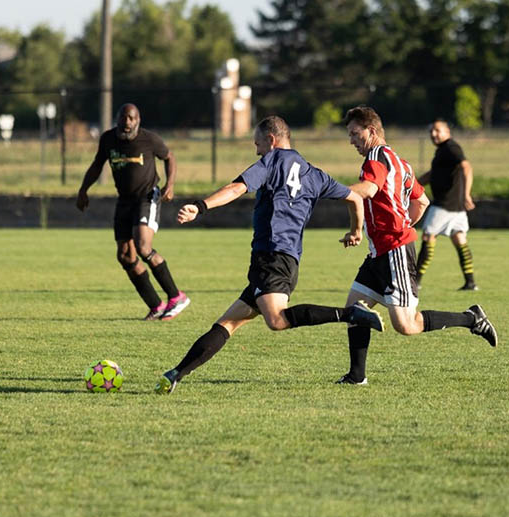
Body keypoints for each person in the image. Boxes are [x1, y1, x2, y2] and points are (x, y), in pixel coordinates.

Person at [155, 115, 383, 395]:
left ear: (271, 140)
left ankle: (351, 314)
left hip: (271, 257)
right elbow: (355, 197)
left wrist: (200, 207)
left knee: (276, 320)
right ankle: (176, 373)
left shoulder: (271, 162)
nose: (257, 150)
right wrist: (355, 230)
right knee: (228, 322)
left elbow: (236, 188)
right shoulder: (314, 173)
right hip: (287, 260)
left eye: (258, 143)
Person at [337, 106, 497, 385]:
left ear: (371, 131)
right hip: (381, 252)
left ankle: (472, 319)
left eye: (354, 133)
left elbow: (368, 190)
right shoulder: (400, 162)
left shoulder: (375, 158)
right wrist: (403, 224)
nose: (351, 140)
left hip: (394, 251)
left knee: (407, 325)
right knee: (355, 307)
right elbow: (421, 201)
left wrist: (331, 190)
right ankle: (356, 376)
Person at [77, 103, 190, 321]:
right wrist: (83, 190)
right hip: (124, 200)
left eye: (131, 118)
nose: (127, 123)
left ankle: (177, 297)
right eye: (123, 118)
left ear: (138, 120)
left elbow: (169, 157)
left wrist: (170, 184)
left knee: (143, 246)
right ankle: (156, 306)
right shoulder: (108, 139)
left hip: (147, 197)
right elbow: (97, 164)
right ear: (117, 119)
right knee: (125, 256)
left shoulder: (149, 140)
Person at [415, 118, 478, 291]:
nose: (433, 134)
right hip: (455, 206)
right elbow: (432, 174)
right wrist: (413, 186)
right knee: (459, 239)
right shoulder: (442, 151)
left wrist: (466, 194)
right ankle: (471, 282)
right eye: (431, 131)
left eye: (437, 130)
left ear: (447, 132)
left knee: (428, 236)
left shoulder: (451, 147)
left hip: (444, 204)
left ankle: (416, 281)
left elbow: (467, 167)